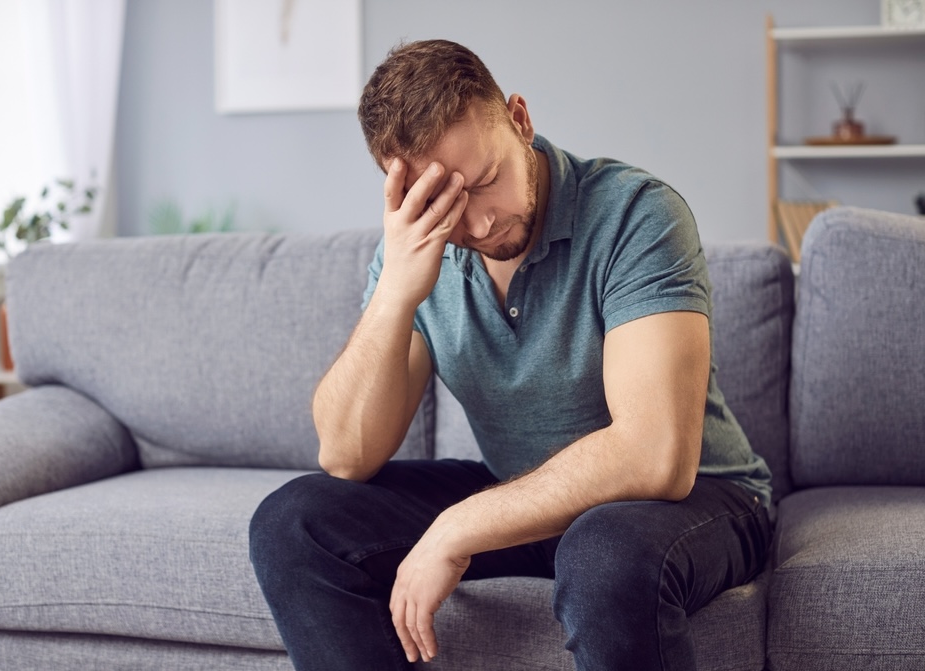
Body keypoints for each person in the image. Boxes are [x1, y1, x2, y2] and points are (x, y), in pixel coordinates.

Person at [250, 39, 772, 671]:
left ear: (520, 119)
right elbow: (345, 454)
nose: (475, 225)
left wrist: (456, 527)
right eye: (442, 202)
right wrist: (394, 293)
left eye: (487, 181)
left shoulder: (637, 214)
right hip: (531, 500)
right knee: (294, 523)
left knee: (604, 550)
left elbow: (656, 455)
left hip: (695, 503)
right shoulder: (419, 252)